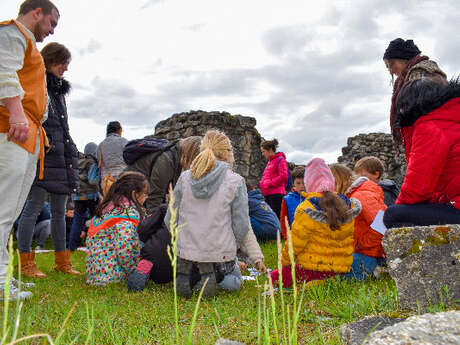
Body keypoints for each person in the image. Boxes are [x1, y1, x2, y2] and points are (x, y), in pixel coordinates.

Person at [0, 0, 59, 300]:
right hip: (12, 127)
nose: (51, 31)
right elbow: (3, 70)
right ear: (38, 12)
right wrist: (17, 113)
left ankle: (3, 275)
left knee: (10, 211)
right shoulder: (12, 34)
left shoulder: (29, 46)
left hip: (28, 131)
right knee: (3, 207)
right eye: (51, 23)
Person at [165, 130, 265, 298]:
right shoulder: (236, 182)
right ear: (228, 154)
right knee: (234, 281)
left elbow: (170, 219)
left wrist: (184, 242)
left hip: (187, 253)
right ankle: (213, 278)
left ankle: (194, 278)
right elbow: (242, 226)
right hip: (219, 255)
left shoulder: (184, 178)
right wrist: (252, 255)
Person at [16, 42, 79, 279]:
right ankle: (25, 261)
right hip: (42, 154)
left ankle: (62, 260)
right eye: (63, 63)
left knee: (60, 211)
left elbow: (63, 126)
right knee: (32, 208)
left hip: (61, 156)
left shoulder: (59, 92)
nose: (66, 68)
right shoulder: (35, 83)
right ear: (51, 60)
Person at [270, 158, 361, 288]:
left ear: (309, 183)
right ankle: (330, 280)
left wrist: (284, 263)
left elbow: (295, 244)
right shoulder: (347, 203)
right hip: (340, 269)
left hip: (312, 268)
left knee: (272, 277)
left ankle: (315, 283)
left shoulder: (306, 207)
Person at [383, 78, 460, 228]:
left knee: (392, 215)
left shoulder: (429, 126)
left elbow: (418, 188)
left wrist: (399, 207)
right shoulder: (450, 120)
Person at [86, 172, 147, 286]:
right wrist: (136, 272)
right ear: (134, 194)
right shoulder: (127, 215)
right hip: (113, 277)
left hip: (94, 274)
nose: (146, 197)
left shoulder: (106, 210)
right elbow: (125, 249)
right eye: (145, 193)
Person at [383, 38, 447, 147]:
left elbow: (422, 117)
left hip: (432, 140)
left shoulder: (419, 75)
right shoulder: (415, 75)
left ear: (404, 58)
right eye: (388, 68)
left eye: (392, 64)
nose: (391, 71)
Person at [330, 164, 387, 280]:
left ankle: (377, 271)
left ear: (337, 181)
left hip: (370, 254)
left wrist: (360, 244)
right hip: (364, 251)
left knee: (334, 278)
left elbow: (382, 227)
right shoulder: (354, 194)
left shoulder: (361, 196)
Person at [126, 136, 201, 213]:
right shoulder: (166, 160)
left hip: (140, 193)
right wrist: (154, 220)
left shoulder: (176, 155)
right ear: (192, 154)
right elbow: (155, 195)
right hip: (129, 192)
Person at [69, 142, 100, 251]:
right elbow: (92, 180)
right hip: (91, 196)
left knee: (77, 221)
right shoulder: (92, 162)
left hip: (77, 196)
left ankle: (72, 247)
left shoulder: (77, 162)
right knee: (96, 220)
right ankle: (96, 245)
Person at [259, 138, 289, 218]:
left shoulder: (280, 160)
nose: (262, 154)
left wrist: (269, 183)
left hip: (276, 195)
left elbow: (284, 177)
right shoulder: (270, 161)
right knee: (270, 218)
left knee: (276, 218)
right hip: (268, 194)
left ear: (270, 150)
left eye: (263, 151)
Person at [98, 121, 128, 195]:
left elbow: (98, 162)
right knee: (123, 203)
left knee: (109, 205)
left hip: (107, 182)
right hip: (122, 179)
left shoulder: (101, 145)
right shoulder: (124, 141)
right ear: (119, 130)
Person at [280, 166, 306, 239]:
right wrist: (286, 237)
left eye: (304, 183)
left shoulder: (312, 198)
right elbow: (284, 220)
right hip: (294, 237)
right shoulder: (287, 199)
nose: (302, 186)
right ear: (293, 183)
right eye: (298, 183)